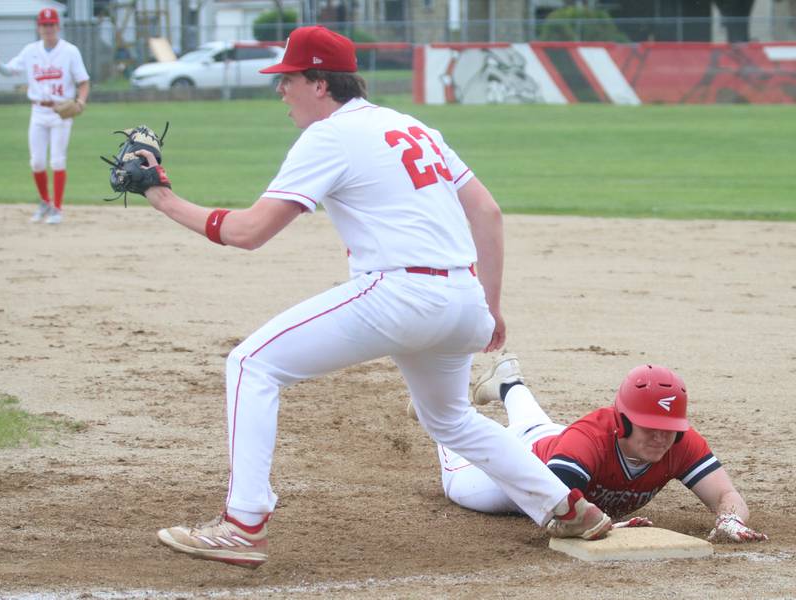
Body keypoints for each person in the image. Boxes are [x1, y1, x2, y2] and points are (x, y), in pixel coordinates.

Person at [136, 26, 612, 569]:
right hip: (462, 299)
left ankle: (244, 524)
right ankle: (567, 507)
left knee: (250, 364)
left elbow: (249, 232)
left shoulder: (330, 135)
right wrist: (490, 306)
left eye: (288, 79)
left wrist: (161, 196)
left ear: (319, 83)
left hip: (400, 294)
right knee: (451, 420)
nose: (280, 91)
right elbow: (487, 212)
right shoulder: (412, 125)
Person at [428, 354, 768, 543]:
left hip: (552, 439)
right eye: (651, 427)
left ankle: (509, 384)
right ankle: (435, 404)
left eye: (670, 429)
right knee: (456, 460)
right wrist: (599, 525)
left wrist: (732, 520)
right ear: (623, 421)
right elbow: (556, 505)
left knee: (535, 425)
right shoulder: (589, 438)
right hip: (515, 474)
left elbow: (726, 494)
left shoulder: (679, 442)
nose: (661, 438)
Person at [0, 8, 90, 225]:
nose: (48, 29)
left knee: (57, 160)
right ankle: (45, 202)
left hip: (61, 112)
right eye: (44, 25)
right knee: (37, 162)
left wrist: (81, 101)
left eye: (51, 25)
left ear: (58, 27)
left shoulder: (70, 51)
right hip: (38, 111)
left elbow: (83, 81)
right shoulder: (30, 51)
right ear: (39, 27)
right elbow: (10, 71)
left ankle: (57, 208)